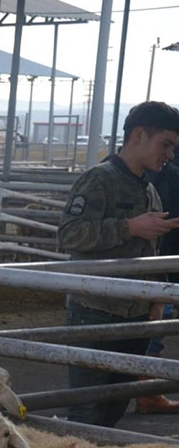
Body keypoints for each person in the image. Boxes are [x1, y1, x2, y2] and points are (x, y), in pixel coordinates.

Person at [58, 101, 179, 427]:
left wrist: (155, 295)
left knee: (112, 408)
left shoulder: (149, 190)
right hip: (95, 309)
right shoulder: (99, 180)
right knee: (87, 411)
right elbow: (69, 234)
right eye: (164, 144)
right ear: (139, 134)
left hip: (134, 313)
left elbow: (148, 250)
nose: (168, 154)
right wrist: (130, 226)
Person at [139, 156, 179, 412]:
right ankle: (148, 393)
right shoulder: (166, 174)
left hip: (158, 259)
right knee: (155, 325)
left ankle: (146, 392)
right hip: (163, 259)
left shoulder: (156, 171)